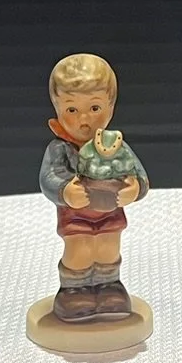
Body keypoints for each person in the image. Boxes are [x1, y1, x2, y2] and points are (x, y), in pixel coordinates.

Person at [39, 53, 146, 322]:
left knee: (109, 248)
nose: (84, 119)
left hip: (110, 211)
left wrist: (134, 188)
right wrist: (65, 191)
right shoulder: (60, 148)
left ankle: (110, 286)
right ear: (57, 109)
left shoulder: (115, 146)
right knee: (80, 250)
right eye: (72, 110)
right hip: (76, 214)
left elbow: (137, 172)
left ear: (111, 107)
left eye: (95, 108)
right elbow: (49, 176)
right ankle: (74, 290)